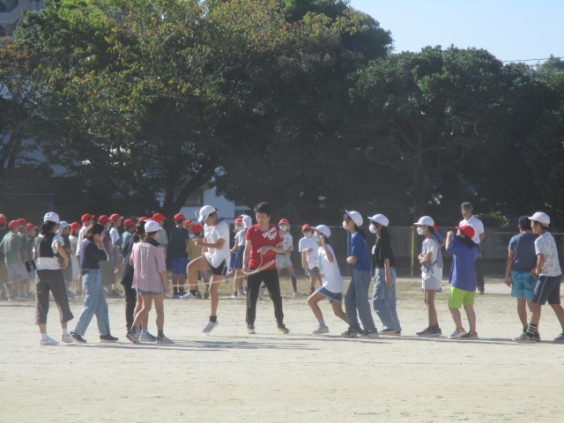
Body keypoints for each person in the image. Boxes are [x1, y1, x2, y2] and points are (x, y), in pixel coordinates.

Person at [513, 212, 564, 343]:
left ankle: (530, 334)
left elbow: (541, 258)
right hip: (556, 274)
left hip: (546, 275)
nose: (531, 225)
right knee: (555, 304)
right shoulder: (549, 236)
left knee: (535, 304)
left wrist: (537, 269)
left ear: (539, 224)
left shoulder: (539, 240)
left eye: (533, 223)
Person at [243, 202, 290, 334]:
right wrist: (244, 265)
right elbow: (246, 250)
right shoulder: (251, 230)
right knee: (251, 297)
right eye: (257, 216)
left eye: (263, 216)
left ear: (269, 217)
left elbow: (281, 249)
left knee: (276, 297)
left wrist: (269, 247)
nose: (260, 219)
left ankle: (280, 323)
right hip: (254, 267)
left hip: (270, 267)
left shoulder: (275, 230)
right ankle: (250, 323)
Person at [185, 205, 231, 334]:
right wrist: (202, 254)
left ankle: (213, 319)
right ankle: (193, 292)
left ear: (214, 215)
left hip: (221, 260)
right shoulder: (206, 225)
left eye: (207, 219)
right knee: (191, 266)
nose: (206, 222)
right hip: (210, 257)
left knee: (212, 290)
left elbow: (219, 245)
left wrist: (201, 244)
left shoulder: (223, 226)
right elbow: (206, 239)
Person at [70, 223, 119, 343]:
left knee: (101, 306)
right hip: (92, 276)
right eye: (101, 234)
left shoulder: (86, 243)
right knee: (90, 305)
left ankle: (104, 333)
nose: (103, 236)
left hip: (94, 275)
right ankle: (77, 331)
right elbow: (104, 256)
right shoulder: (89, 245)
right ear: (95, 234)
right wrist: (101, 245)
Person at [126, 220, 172, 344]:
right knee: (159, 309)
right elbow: (161, 269)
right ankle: (160, 336)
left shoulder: (137, 245)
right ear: (156, 232)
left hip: (141, 281)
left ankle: (132, 331)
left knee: (145, 307)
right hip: (155, 281)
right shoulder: (158, 248)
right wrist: (166, 284)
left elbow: (131, 262)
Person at [34, 212, 74, 346]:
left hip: (40, 273)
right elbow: (57, 246)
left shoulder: (37, 238)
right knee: (62, 301)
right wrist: (66, 258)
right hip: (54, 273)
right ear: (55, 225)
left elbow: (33, 256)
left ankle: (43, 337)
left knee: (41, 305)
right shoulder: (56, 237)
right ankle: (64, 334)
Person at [341, 210, 378, 338]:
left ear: (351, 222)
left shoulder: (356, 237)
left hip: (361, 272)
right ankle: (354, 328)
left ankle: (371, 330)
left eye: (345, 220)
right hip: (358, 272)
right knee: (349, 299)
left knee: (361, 302)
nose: (344, 222)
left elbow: (353, 259)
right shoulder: (356, 236)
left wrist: (348, 259)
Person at [306, 225, 348, 334]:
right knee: (338, 312)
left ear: (322, 236)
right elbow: (310, 266)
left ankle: (322, 326)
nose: (314, 235)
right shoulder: (319, 249)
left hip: (332, 284)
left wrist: (324, 244)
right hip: (333, 284)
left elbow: (331, 259)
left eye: (316, 233)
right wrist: (304, 254)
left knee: (311, 301)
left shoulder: (327, 247)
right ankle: (355, 327)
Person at [504, 216, 538, 340]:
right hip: (531, 273)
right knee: (532, 304)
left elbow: (510, 258)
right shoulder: (537, 238)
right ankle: (534, 331)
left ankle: (525, 327)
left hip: (516, 273)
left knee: (520, 303)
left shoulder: (514, 239)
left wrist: (507, 275)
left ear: (520, 227)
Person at [369, 213, 402, 336]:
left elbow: (386, 257)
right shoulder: (382, 238)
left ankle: (389, 326)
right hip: (384, 271)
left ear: (379, 225)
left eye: (373, 223)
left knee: (377, 300)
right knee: (389, 302)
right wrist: (377, 274)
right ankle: (395, 327)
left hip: (385, 271)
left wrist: (387, 274)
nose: (371, 225)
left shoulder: (382, 239)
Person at [445, 225, 480, 339]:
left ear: (463, 235)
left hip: (459, 281)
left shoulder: (459, 245)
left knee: (452, 306)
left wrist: (449, 236)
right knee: (468, 306)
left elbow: (448, 248)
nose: (456, 232)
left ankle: (459, 328)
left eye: (459, 231)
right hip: (471, 281)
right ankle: (473, 332)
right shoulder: (473, 247)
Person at [414, 216, 443, 337]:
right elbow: (422, 257)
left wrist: (421, 259)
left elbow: (426, 259)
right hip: (426, 273)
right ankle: (435, 326)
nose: (419, 228)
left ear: (427, 227)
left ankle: (432, 327)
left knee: (430, 301)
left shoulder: (432, 241)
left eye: (420, 226)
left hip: (432, 273)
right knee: (427, 300)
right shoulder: (426, 241)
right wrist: (421, 258)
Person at [460, 202, 486, 294]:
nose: (463, 212)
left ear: (469, 210)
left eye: (464, 210)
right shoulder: (462, 223)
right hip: (464, 247)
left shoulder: (477, 222)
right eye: (462, 210)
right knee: (464, 266)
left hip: (474, 247)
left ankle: (480, 287)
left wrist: (475, 244)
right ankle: (466, 285)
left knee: (476, 267)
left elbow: (482, 235)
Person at [0, 219, 27, 300]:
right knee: (25, 275)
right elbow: (17, 250)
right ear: (15, 228)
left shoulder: (6, 236)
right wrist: (20, 261)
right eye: (18, 227)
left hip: (7, 260)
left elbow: (1, 248)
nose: (18, 228)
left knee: (11, 277)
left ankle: (11, 296)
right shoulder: (15, 236)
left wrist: (7, 253)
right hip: (15, 260)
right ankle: (9, 284)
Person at [276, 218, 300, 296]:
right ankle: (264, 288)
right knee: (276, 274)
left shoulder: (289, 236)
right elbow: (275, 247)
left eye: (285, 225)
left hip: (287, 256)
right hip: (279, 256)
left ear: (288, 226)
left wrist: (290, 249)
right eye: (281, 225)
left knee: (292, 273)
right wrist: (284, 252)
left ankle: (295, 291)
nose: (283, 226)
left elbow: (291, 246)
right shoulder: (277, 235)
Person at [169, 213, 189, 298]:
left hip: (174, 253)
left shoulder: (172, 230)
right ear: (183, 221)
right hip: (182, 253)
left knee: (175, 273)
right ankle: (180, 290)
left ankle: (174, 291)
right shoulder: (184, 231)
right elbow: (186, 242)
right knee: (181, 273)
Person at [298, 224, 322, 295]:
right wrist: (305, 256)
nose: (307, 232)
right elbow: (301, 252)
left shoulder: (315, 237)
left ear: (311, 231)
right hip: (309, 261)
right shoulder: (302, 240)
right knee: (313, 277)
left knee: (320, 276)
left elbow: (320, 246)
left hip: (318, 259)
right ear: (303, 232)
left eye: (308, 230)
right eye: (305, 231)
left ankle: (324, 290)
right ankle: (312, 288)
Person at [229, 217, 246, 298]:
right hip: (239, 252)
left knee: (242, 272)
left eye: (240, 224)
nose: (239, 226)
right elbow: (234, 248)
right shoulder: (238, 233)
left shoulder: (244, 232)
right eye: (237, 224)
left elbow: (235, 247)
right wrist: (229, 251)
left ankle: (240, 289)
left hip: (242, 252)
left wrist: (231, 251)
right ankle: (236, 291)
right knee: (237, 272)